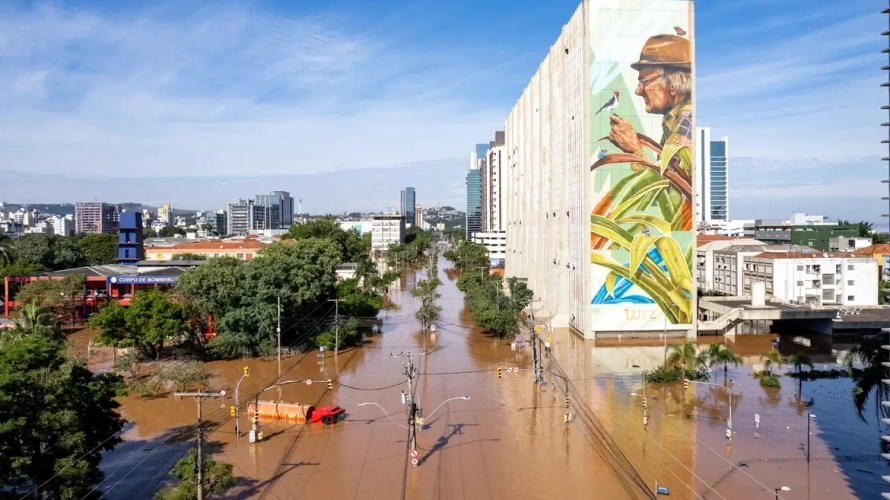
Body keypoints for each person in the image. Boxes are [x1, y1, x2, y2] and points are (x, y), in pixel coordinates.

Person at [607, 34, 692, 170]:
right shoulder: (677, 121)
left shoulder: (687, 121)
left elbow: (668, 190)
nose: (638, 91)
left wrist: (634, 149)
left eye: (644, 81)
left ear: (672, 83)